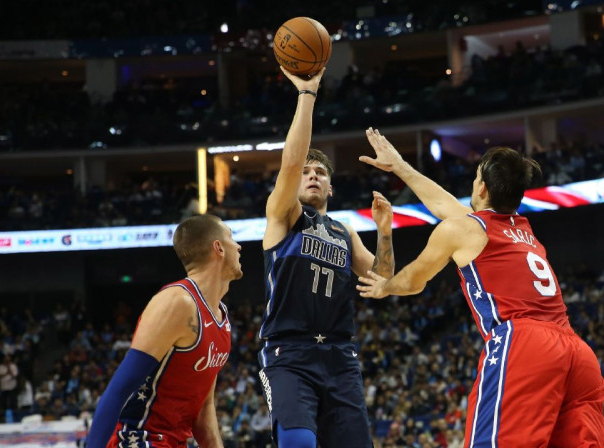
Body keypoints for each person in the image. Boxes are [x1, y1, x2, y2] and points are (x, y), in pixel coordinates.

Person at [357, 128, 604, 447]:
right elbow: (446, 205)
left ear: (482, 187)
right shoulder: (522, 229)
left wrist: (386, 287)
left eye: (476, 178)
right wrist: (400, 166)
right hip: (577, 353)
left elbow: (414, 281)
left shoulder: (464, 231)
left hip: (526, 344)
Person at [258, 69, 395, 448]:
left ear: (331, 186)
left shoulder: (345, 232)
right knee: (299, 444)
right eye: (306, 172)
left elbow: (382, 282)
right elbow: (289, 162)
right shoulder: (283, 215)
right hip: (290, 353)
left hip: (340, 355)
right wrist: (307, 94)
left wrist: (384, 231)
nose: (312, 176)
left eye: (320, 172)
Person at [86, 214, 242, 448]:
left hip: (174, 441)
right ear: (218, 248)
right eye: (231, 237)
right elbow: (118, 391)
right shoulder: (178, 302)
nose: (239, 246)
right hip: (139, 438)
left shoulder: (221, 316)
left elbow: (204, 408)